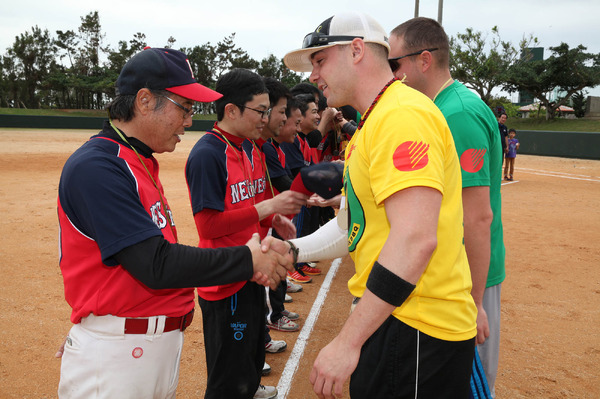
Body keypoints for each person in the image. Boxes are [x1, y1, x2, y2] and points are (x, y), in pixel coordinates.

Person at [56, 47, 294, 399]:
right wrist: (248, 259)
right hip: (118, 358)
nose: (190, 120)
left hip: (140, 348)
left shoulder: (137, 160)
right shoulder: (98, 166)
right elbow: (156, 264)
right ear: (145, 100)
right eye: (185, 108)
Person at [283, 12, 477, 398]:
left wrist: (348, 341)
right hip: (398, 317)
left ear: (357, 50)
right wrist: (292, 250)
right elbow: (355, 227)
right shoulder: (377, 121)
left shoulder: (401, 115)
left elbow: (414, 239)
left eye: (319, 60)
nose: (312, 76)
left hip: (418, 325)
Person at [389, 17, 507, 398]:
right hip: (461, 272)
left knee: (468, 384)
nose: (392, 75)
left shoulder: (455, 114)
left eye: (395, 64)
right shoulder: (448, 107)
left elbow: (477, 214)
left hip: (470, 277)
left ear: (424, 60)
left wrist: (472, 302)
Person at [184, 68, 307, 399]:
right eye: (260, 111)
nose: (266, 118)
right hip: (226, 280)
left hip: (255, 271)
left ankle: (249, 388)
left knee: (252, 353)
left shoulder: (251, 149)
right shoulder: (209, 154)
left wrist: (272, 221)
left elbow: (250, 204)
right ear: (231, 110)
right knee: (228, 372)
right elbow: (208, 225)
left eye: (268, 110)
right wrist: (268, 209)